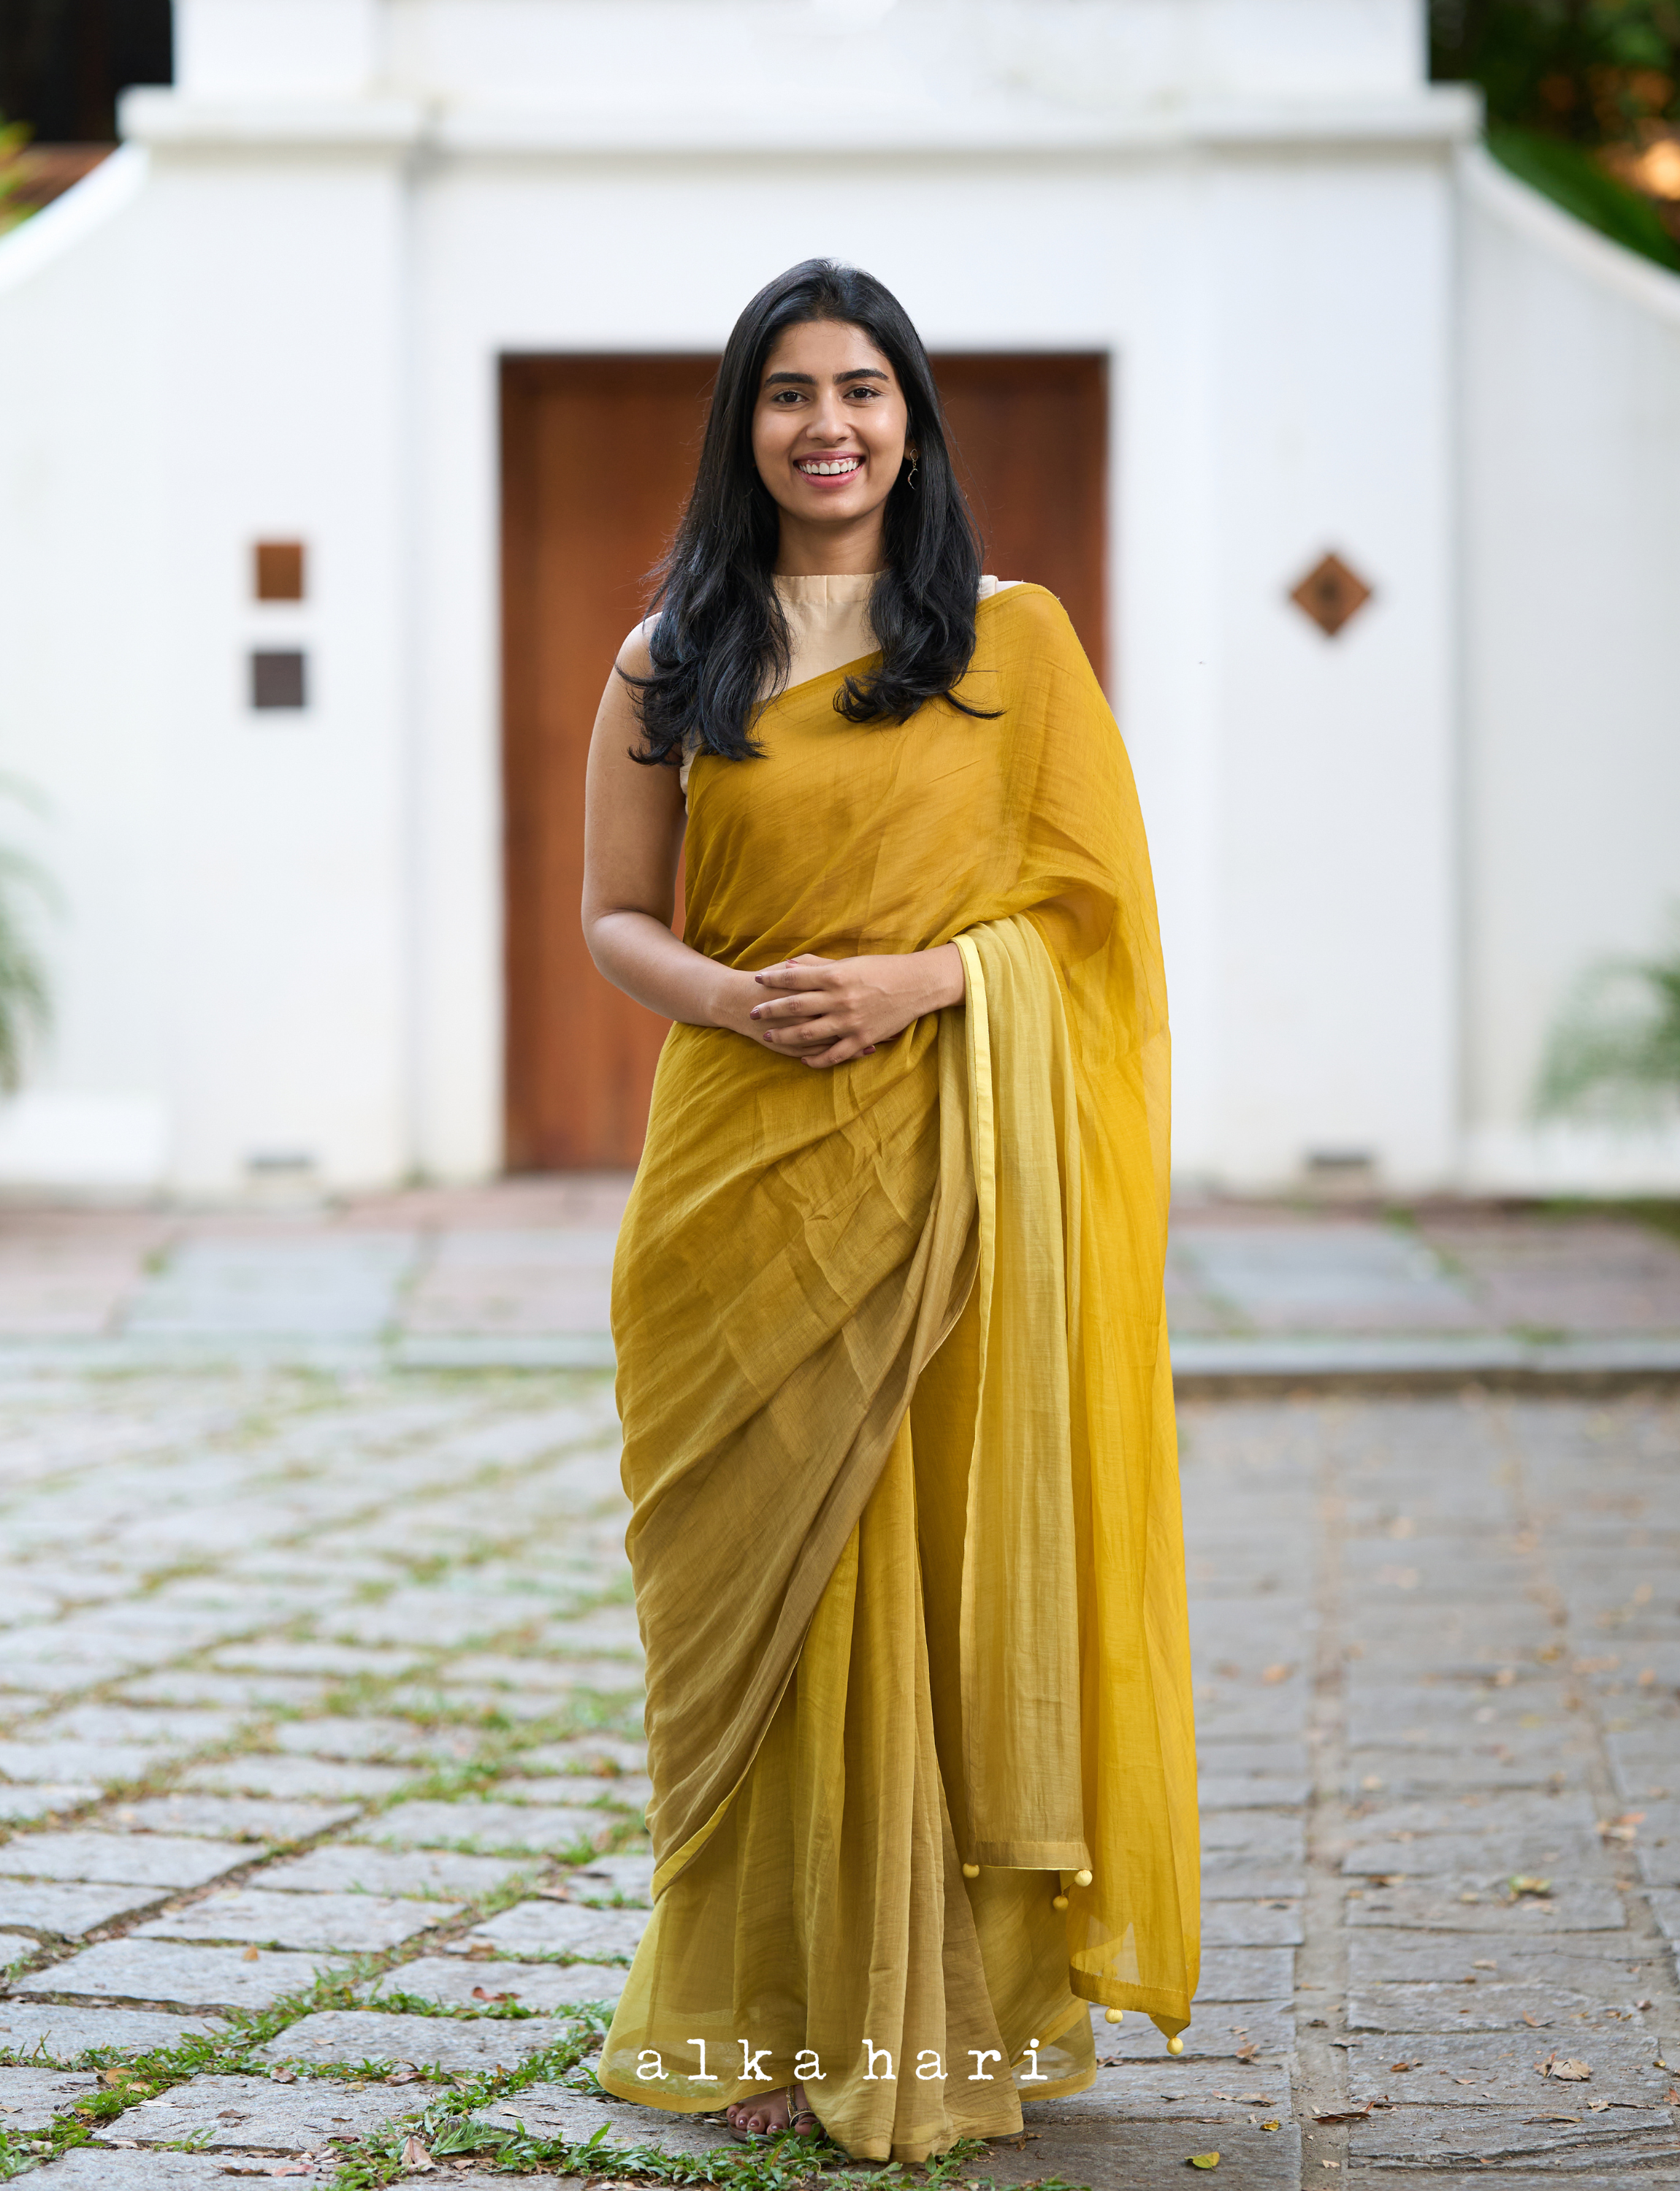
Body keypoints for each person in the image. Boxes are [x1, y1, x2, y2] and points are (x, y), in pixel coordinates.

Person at [580, 259, 1196, 2166]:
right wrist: (742, 999)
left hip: (945, 1171)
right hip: (731, 1177)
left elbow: (1092, 930)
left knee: (927, 1588)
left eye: (861, 389)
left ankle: (957, 2009)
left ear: (911, 418)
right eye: (786, 394)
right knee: (728, 1604)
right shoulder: (664, 654)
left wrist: (921, 985)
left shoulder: (1012, 645)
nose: (825, 424)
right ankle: (743, 2012)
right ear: (739, 429)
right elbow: (614, 919)